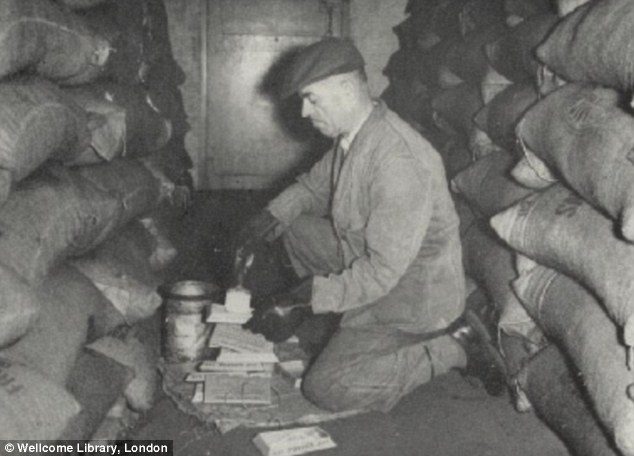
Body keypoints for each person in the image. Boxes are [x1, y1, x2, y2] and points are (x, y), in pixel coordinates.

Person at [235, 37, 506, 413]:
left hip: (411, 295)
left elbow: (381, 273)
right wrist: (264, 222)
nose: (302, 111)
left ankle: (452, 347)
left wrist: (302, 298)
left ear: (346, 88)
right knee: (294, 227)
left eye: (311, 98)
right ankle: (341, 325)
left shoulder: (397, 160)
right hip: (369, 260)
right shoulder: (357, 136)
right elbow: (313, 187)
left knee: (326, 387)